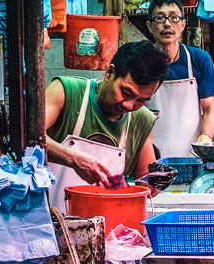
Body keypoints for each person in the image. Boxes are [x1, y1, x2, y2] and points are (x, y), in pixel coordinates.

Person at [44, 41, 169, 206]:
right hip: (50, 220)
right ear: (109, 73)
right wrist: (72, 159)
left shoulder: (141, 119)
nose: (129, 105)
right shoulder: (65, 92)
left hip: (105, 223)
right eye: (126, 92)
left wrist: (153, 184)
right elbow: (28, 139)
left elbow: (143, 183)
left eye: (141, 100)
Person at [145, 0, 214, 158]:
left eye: (173, 17)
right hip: (148, 154)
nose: (167, 24)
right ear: (149, 26)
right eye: (160, 18)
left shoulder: (200, 59)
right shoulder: (139, 61)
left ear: (183, 24)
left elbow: (209, 109)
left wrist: (204, 142)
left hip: (191, 155)